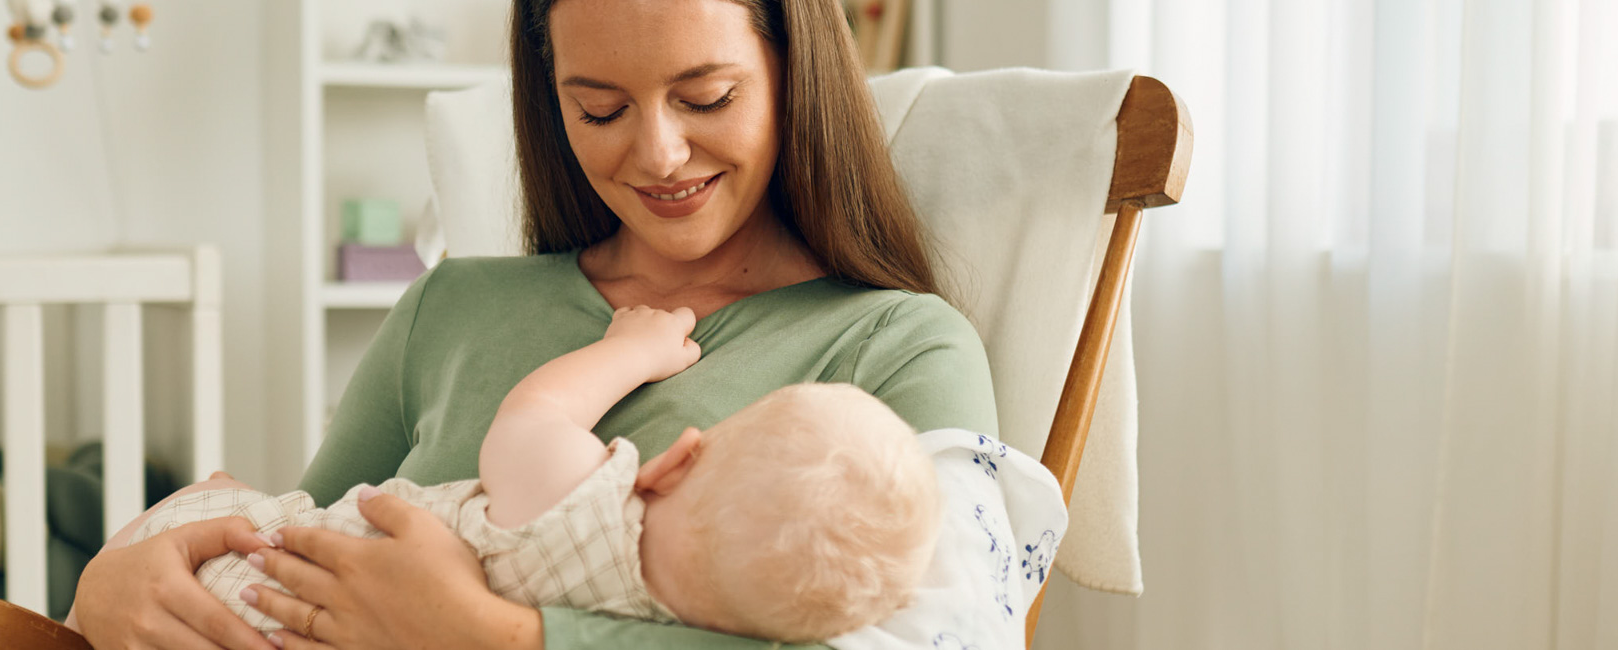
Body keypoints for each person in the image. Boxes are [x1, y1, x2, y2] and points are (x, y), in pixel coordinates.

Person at [69, 0, 998, 648]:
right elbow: (294, 546)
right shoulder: (453, 306)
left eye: (706, 98)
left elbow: (944, 640)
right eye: (600, 109)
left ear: (794, 72)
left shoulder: (899, 346)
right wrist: (113, 587)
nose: (658, 153)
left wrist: (496, 636)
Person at [94, 306, 939, 644]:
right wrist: (106, 587)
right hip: (268, 619)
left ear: (680, 457)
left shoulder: (582, 500)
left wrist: (632, 350)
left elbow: (535, 414)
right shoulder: (660, 622)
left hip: (252, 584)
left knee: (216, 491)